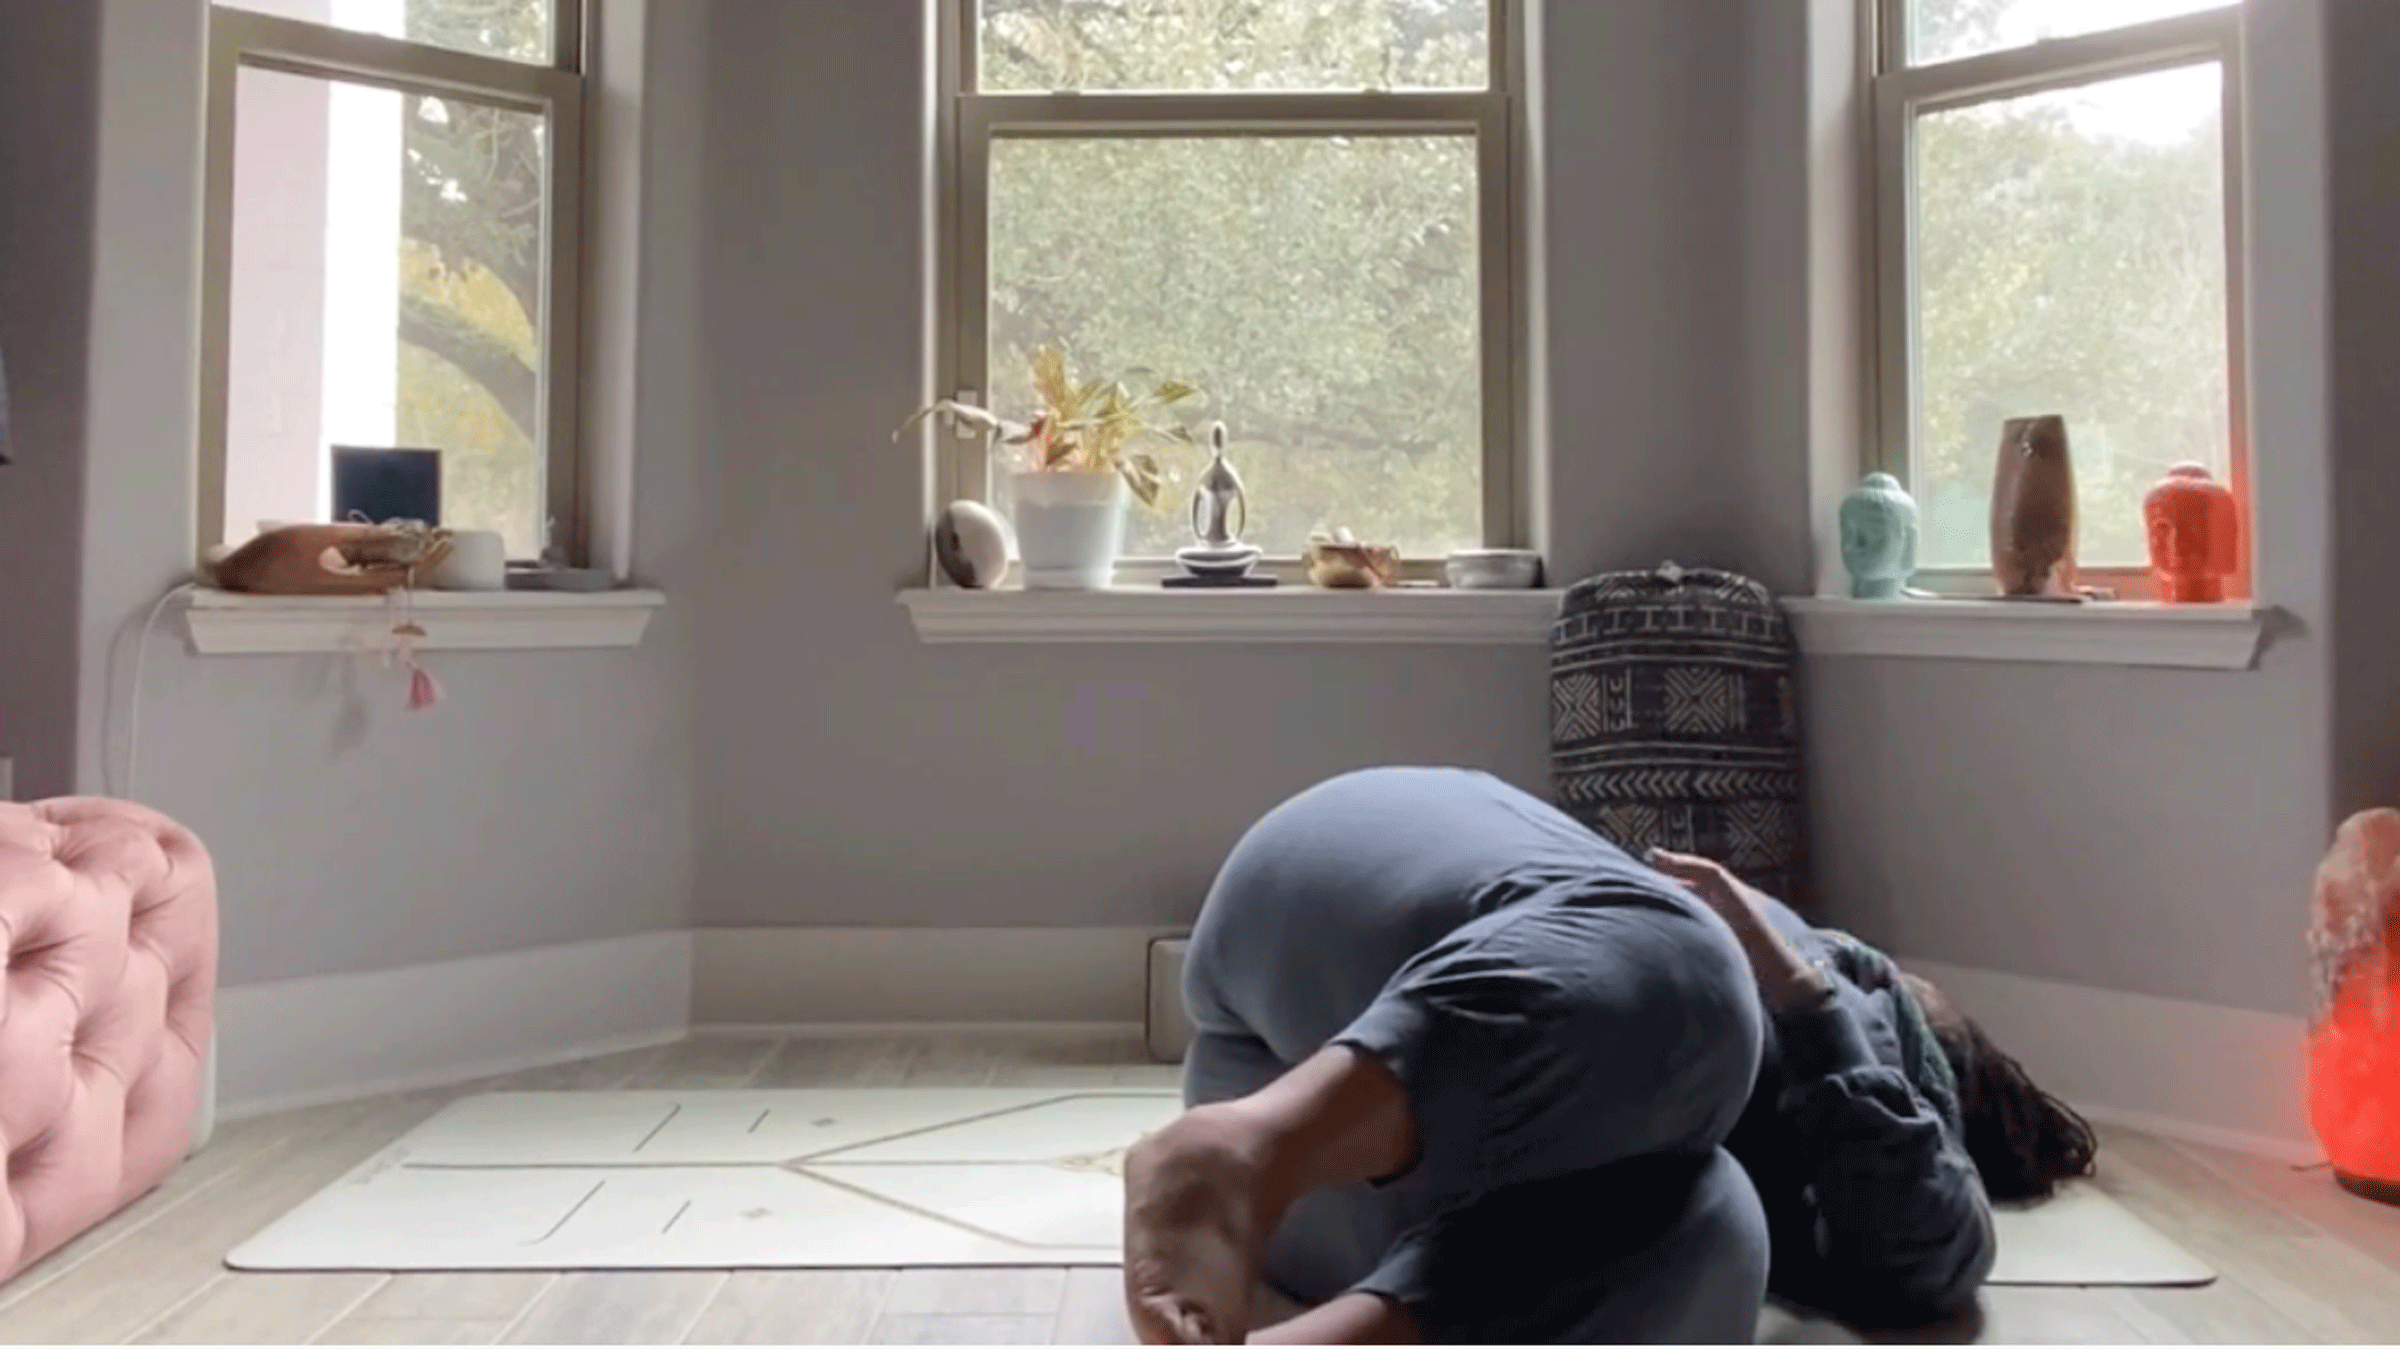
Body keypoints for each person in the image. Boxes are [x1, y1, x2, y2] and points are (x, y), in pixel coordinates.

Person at [1123, 767, 2096, 1345]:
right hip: (1341, 908)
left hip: (1368, 1183)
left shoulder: (1857, 1039)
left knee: (1716, 1232)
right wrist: (1781, 971)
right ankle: (1241, 1151)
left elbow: (1931, 1261)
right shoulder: (1791, 970)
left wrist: (1811, 996)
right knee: (1700, 981)